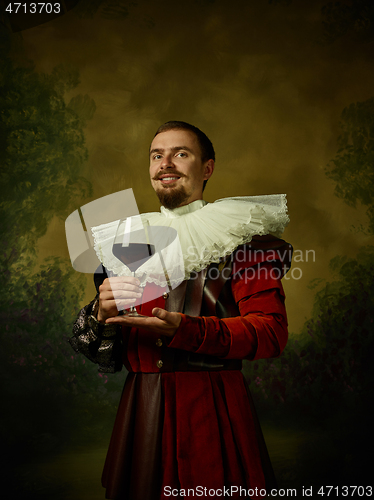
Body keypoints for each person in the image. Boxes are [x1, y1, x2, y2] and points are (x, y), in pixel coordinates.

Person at [70, 121, 292, 500]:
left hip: (213, 408)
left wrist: (187, 330)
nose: (165, 163)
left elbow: (271, 333)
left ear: (207, 169)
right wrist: (98, 315)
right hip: (143, 411)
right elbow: (103, 351)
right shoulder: (127, 242)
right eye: (157, 155)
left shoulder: (245, 239)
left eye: (180, 154)